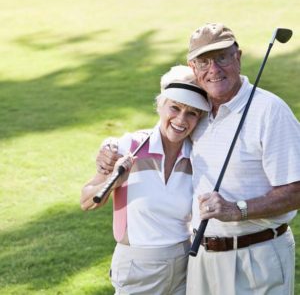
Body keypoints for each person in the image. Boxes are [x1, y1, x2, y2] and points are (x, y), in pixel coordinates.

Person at [185, 23, 300, 295]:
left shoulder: (269, 111)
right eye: (203, 62)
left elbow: (296, 191)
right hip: (201, 257)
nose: (213, 69)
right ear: (193, 68)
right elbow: (167, 128)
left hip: (255, 258)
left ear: (238, 56)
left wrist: (237, 210)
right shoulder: (196, 111)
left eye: (222, 57)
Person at [80, 65, 210, 295]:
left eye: (192, 112)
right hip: (137, 269)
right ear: (160, 105)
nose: (181, 119)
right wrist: (114, 180)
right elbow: (87, 201)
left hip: (185, 265)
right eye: (175, 108)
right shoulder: (127, 146)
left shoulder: (198, 157)